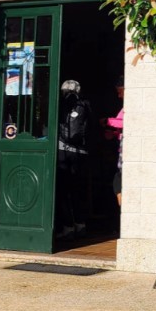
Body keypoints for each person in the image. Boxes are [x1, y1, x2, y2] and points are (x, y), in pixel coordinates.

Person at [55, 79, 94, 238]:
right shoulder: (85, 105)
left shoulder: (62, 104)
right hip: (82, 153)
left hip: (64, 151)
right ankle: (81, 224)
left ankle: (67, 227)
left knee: (64, 190)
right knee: (79, 190)